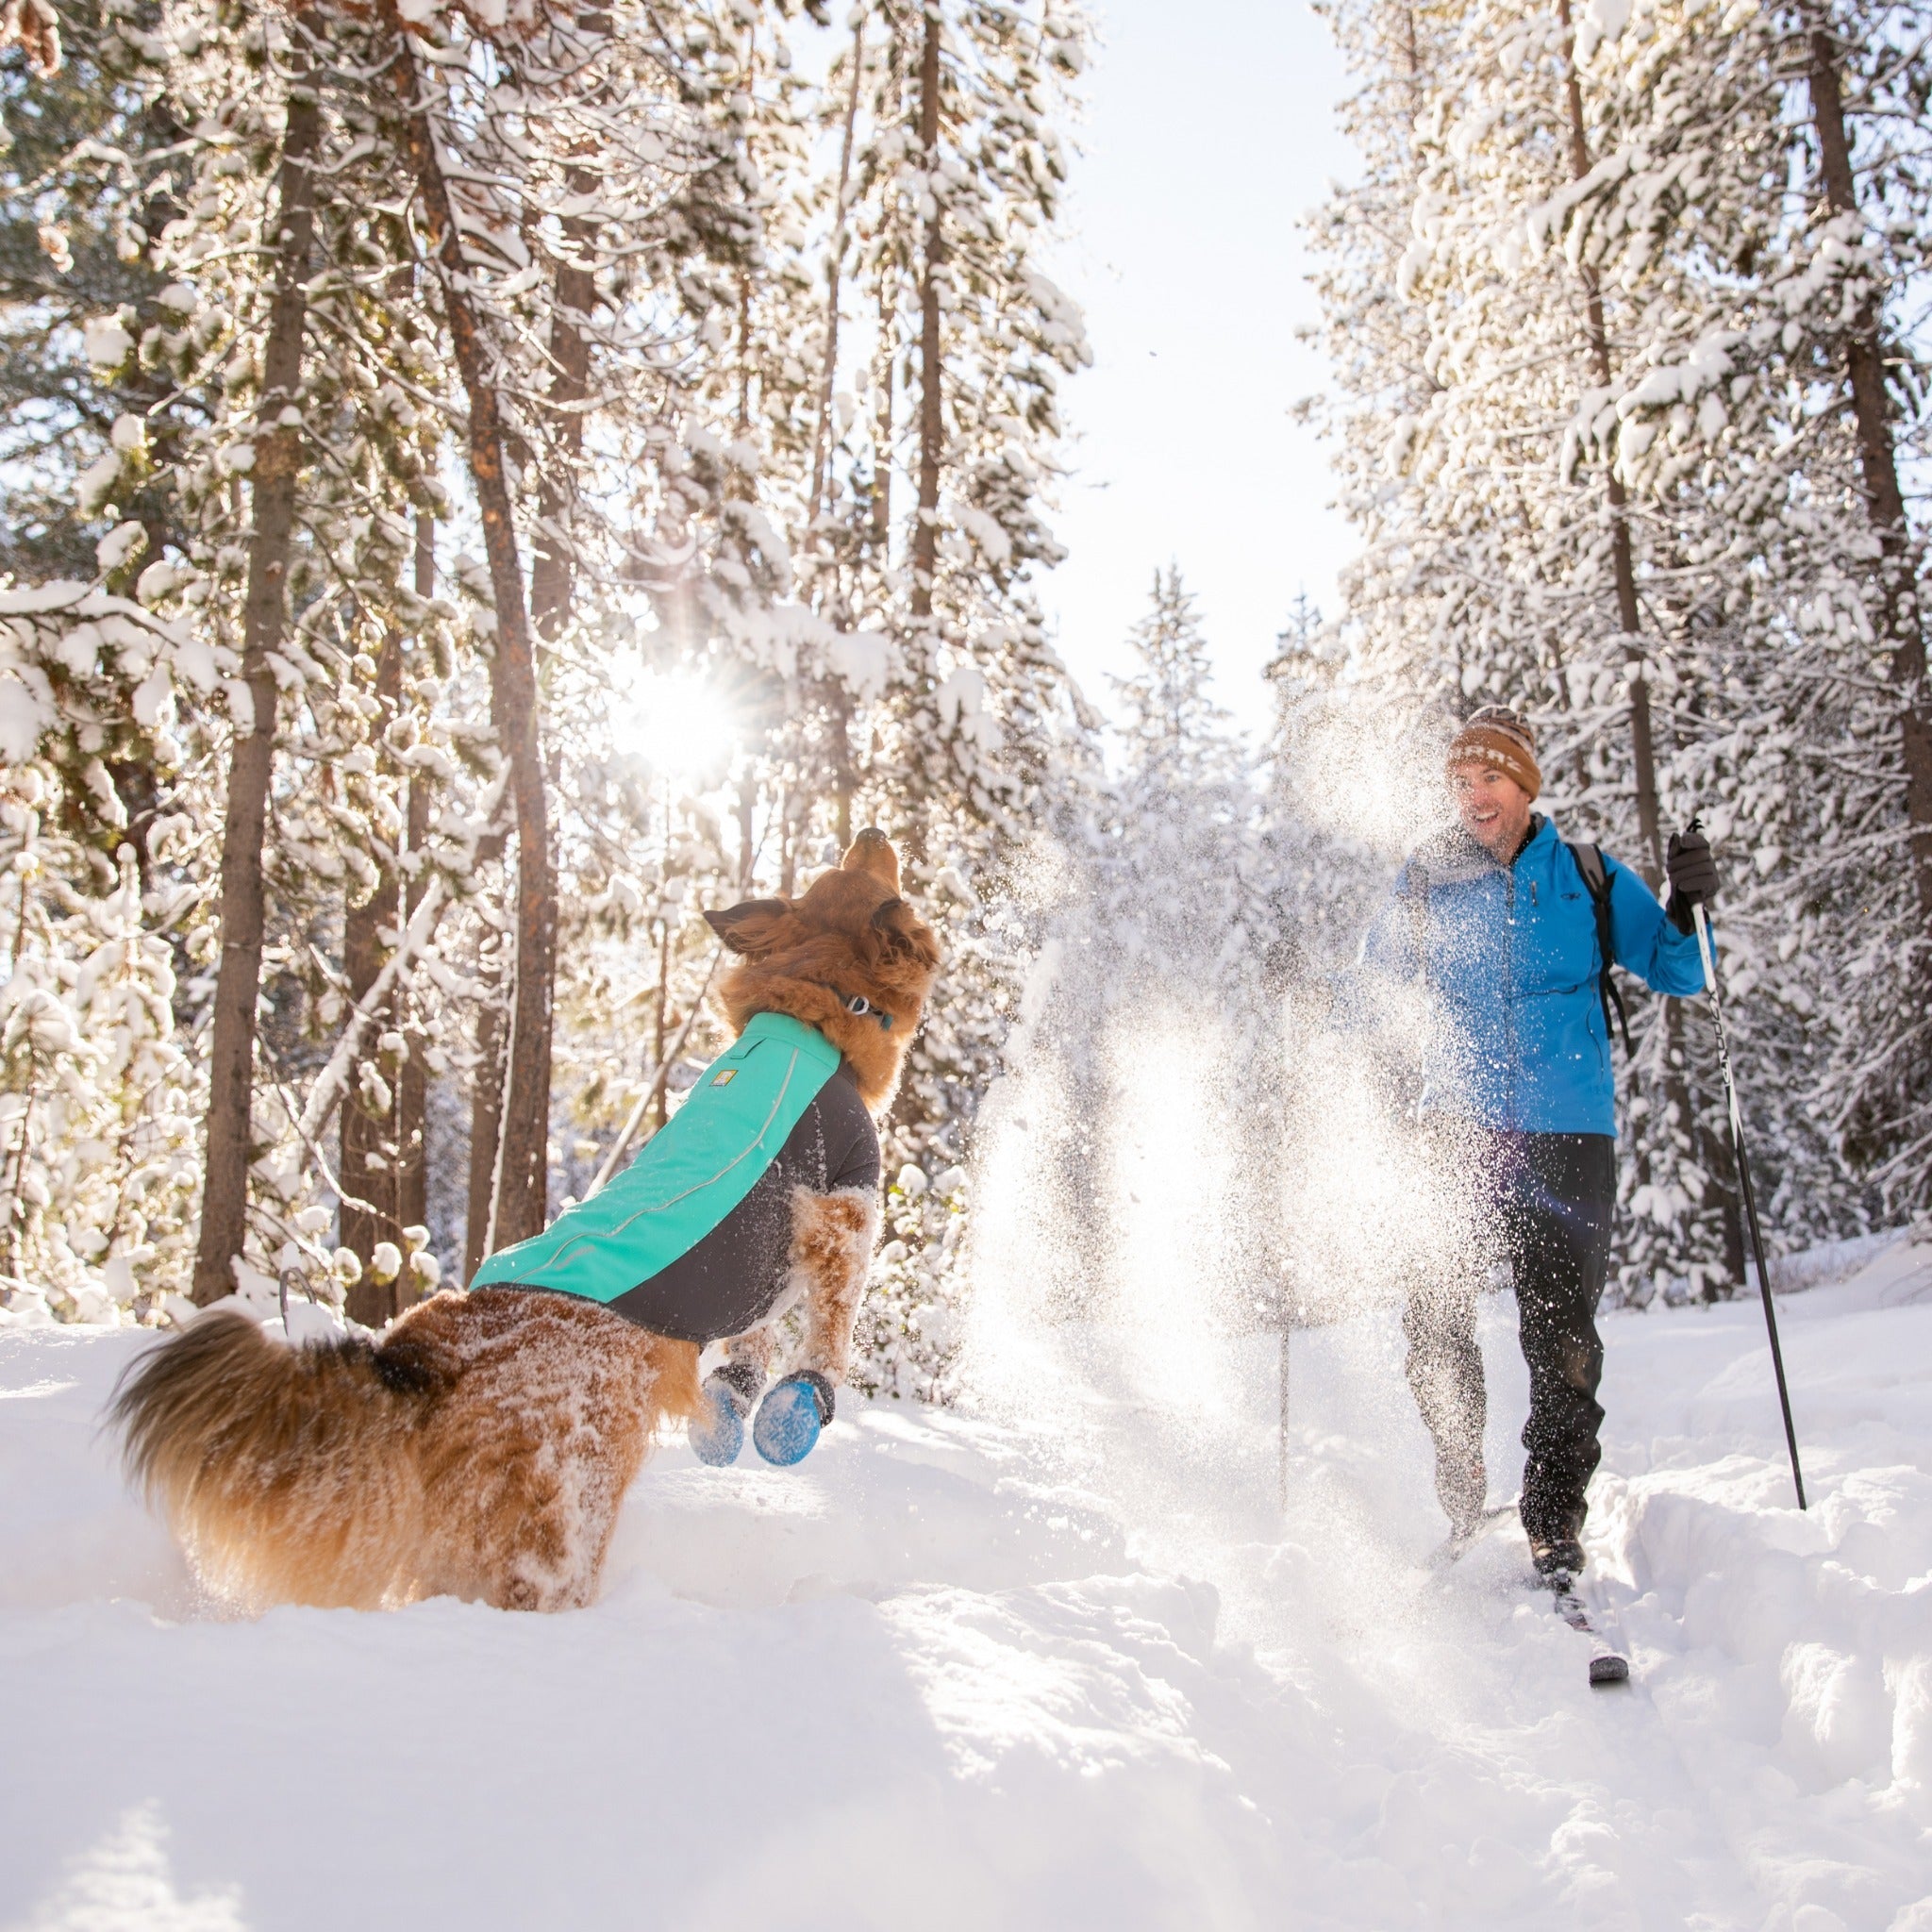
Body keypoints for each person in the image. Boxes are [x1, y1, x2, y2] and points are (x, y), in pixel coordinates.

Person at [1356, 706, 1719, 1583]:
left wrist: (1689, 902)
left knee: (1563, 1337)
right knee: (1434, 1313)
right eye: (1462, 782)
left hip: (1568, 1131)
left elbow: (1681, 968)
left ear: (1525, 786)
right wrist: (1308, 991)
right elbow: (1370, 990)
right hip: (1458, 1130)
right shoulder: (1425, 882)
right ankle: (1463, 1473)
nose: (1474, 796)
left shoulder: (1588, 879)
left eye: (1491, 778)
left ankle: (1554, 1517)